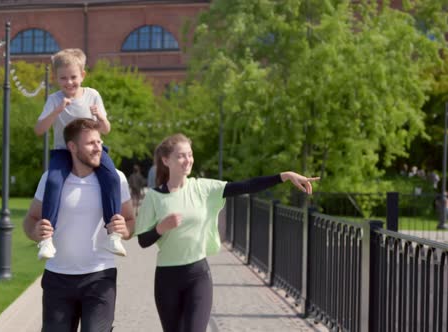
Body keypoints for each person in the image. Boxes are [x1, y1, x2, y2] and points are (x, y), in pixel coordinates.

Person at [135, 133, 319, 332]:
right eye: (181, 156)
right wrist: (161, 227)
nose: (187, 160)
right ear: (166, 160)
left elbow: (244, 186)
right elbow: (143, 241)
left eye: (190, 154)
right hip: (167, 279)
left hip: (197, 276)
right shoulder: (154, 197)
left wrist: (284, 176)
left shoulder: (202, 188)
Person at [24, 118, 135, 331]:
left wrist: (125, 229)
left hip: (100, 276)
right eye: (91, 143)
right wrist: (35, 232)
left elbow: (130, 221)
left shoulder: (116, 179)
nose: (98, 148)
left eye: (99, 142)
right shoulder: (51, 179)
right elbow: (30, 219)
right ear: (72, 147)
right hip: (57, 277)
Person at [34, 48, 124, 259]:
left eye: (73, 77)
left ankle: (113, 234)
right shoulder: (55, 100)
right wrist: (56, 111)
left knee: (111, 177)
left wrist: (100, 117)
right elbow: (39, 129)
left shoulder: (92, 95)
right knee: (54, 182)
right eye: (63, 78)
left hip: (92, 150)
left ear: (82, 75)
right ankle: (47, 240)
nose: (69, 82)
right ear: (56, 79)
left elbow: (106, 129)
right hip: (63, 151)